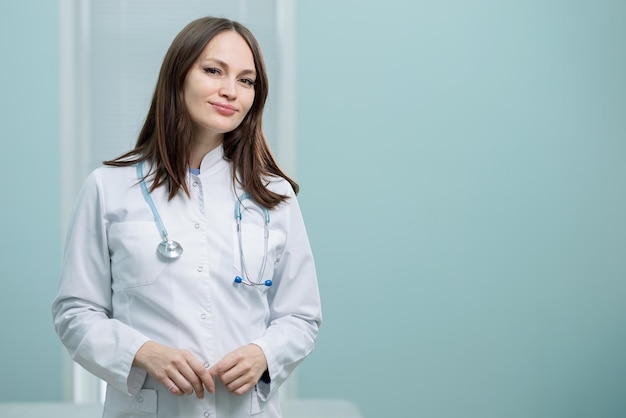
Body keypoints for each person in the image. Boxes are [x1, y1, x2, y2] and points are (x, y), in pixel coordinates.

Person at [52, 16, 321, 418]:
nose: (231, 91)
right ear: (178, 76)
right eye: (213, 71)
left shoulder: (274, 196)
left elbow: (300, 315)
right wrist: (142, 352)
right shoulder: (108, 188)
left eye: (246, 81)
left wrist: (262, 354)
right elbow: (75, 313)